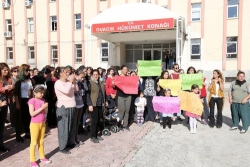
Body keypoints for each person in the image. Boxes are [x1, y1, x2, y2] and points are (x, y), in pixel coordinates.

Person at [54, 66, 78, 154]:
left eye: (68, 72)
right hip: (63, 106)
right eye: (66, 72)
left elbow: (76, 89)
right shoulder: (58, 83)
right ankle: (62, 146)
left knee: (71, 125)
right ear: (60, 74)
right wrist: (70, 82)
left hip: (72, 105)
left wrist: (74, 82)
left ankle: (70, 142)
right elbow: (66, 91)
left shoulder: (68, 82)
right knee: (63, 127)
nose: (68, 74)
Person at [28, 85, 52, 167]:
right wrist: (42, 107)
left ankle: (42, 157)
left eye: (43, 93)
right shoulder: (32, 101)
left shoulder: (43, 100)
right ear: (34, 93)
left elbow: (46, 112)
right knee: (34, 142)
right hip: (34, 124)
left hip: (42, 123)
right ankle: (32, 160)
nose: (42, 94)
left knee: (41, 141)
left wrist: (46, 108)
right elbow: (32, 113)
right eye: (40, 93)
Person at [14, 64, 33, 142]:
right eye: (26, 70)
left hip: (28, 100)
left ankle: (27, 132)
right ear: (22, 71)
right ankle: (18, 135)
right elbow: (16, 93)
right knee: (19, 118)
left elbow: (31, 91)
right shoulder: (18, 82)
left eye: (29, 70)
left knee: (28, 117)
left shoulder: (30, 80)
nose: (28, 72)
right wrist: (17, 104)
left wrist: (31, 100)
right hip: (21, 100)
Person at [86, 70, 106, 143]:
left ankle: (96, 134)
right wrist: (89, 104)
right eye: (94, 74)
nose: (95, 76)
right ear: (92, 75)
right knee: (94, 120)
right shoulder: (90, 83)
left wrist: (104, 101)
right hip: (93, 104)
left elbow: (103, 93)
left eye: (97, 74)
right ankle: (93, 136)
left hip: (100, 104)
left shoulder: (100, 82)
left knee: (98, 120)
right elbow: (88, 95)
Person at [0, 63, 12, 152]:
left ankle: (1, 145)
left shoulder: (7, 79)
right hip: (0, 103)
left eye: (7, 69)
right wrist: (4, 88)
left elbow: (8, 91)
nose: (6, 71)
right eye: (4, 70)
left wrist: (11, 87)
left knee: (2, 126)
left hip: (5, 104)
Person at [116, 65, 132, 131]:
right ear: (121, 70)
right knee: (122, 111)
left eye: (126, 69)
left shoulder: (129, 77)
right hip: (120, 96)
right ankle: (119, 124)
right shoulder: (118, 77)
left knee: (127, 111)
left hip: (128, 96)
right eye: (124, 69)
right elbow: (115, 87)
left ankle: (125, 125)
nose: (125, 71)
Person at [74, 69, 86, 144]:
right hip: (75, 104)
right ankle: (73, 139)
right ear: (76, 76)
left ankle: (76, 138)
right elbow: (75, 92)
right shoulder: (74, 83)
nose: (82, 79)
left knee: (78, 122)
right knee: (75, 123)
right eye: (81, 77)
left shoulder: (82, 83)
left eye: (83, 77)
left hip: (80, 103)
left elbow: (83, 92)